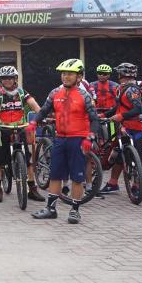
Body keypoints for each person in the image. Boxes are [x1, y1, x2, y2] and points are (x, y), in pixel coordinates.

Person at [26, 59, 99, 224]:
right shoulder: (55, 93)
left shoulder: (84, 95)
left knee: (77, 177)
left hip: (78, 139)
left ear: (79, 76)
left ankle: (75, 211)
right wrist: (34, 122)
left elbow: (95, 119)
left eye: (70, 74)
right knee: (55, 175)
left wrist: (90, 137)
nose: (65, 77)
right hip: (60, 138)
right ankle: (51, 209)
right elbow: (44, 110)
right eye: (64, 73)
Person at [0, 66, 44, 203]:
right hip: (3, 129)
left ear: (15, 79)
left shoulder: (21, 92)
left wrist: (40, 116)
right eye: (4, 78)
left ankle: (32, 189)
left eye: (10, 78)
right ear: (0, 80)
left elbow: (34, 105)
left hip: (21, 128)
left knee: (27, 162)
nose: (8, 80)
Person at [100, 63, 142, 194]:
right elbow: (117, 107)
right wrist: (104, 115)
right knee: (119, 155)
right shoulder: (121, 88)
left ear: (122, 75)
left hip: (135, 127)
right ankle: (113, 183)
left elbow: (138, 109)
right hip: (124, 126)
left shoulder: (132, 90)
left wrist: (120, 116)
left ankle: (136, 186)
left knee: (135, 157)